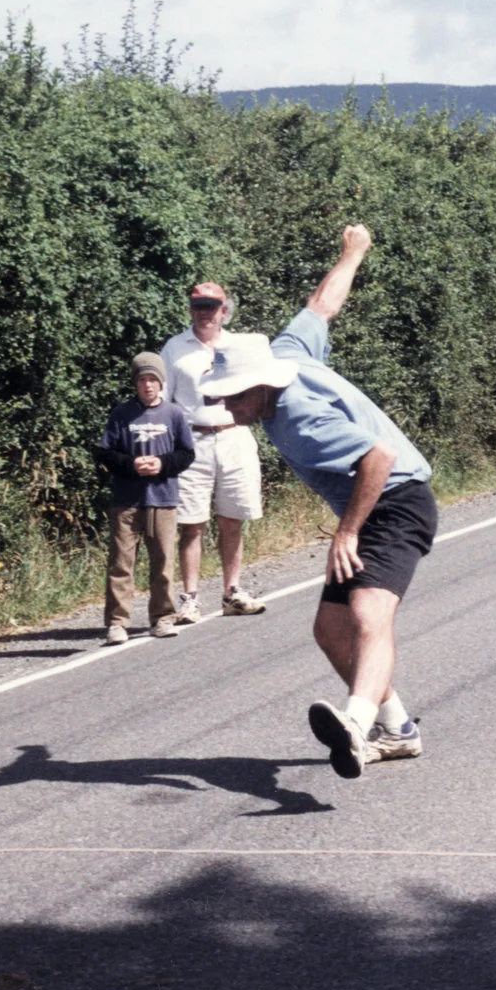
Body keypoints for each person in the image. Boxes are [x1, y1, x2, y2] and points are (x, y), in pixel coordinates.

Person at [197, 226, 437, 779]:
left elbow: (377, 458)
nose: (223, 407)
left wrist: (347, 532)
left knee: (367, 612)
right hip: (374, 500)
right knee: (330, 631)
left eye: (230, 398)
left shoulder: (301, 421)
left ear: (258, 388)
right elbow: (321, 306)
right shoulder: (285, 353)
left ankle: (356, 721)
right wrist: (352, 253)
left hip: (397, 500)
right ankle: (397, 729)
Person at [161, 282, 267, 624]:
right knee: (192, 523)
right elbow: (164, 401)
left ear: (225, 310)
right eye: (198, 306)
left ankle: (232, 592)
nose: (205, 313)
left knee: (232, 519)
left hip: (234, 436)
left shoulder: (239, 346)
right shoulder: (176, 348)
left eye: (212, 306)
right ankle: (189, 599)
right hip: (193, 441)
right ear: (191, 309)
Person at [95, 352, 196, 644]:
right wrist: (131, 465)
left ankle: (162, 617)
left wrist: (162, 463)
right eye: (142, 380)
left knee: (163, 562)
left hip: (163, 498)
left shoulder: (174, 414)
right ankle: (117, 622)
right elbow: (104, 453)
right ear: (135, 384)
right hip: (127, 500)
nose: (148, 385)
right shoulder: (121, 414)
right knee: (120, 564)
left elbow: (187, 453)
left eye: (153, 379)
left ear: (161, 382)